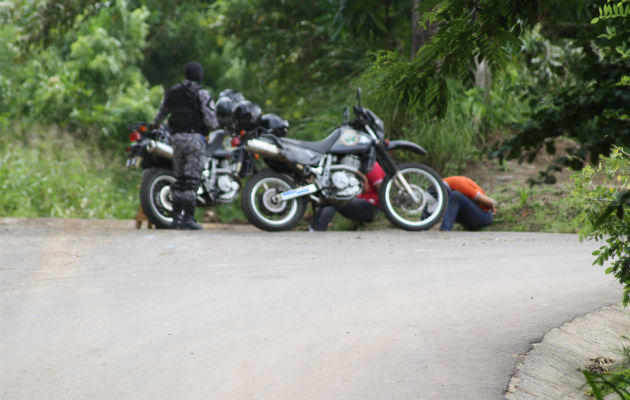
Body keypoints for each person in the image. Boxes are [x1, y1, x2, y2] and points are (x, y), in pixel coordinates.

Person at [154, 61, 218, 230]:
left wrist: (156, 125)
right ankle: (188, 219)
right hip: (194, 140)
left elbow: (160, 114)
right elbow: (212, 121)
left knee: (179, 180)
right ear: (199, 75)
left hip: (176, 140)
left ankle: (175, 219)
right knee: (191, 182)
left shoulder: (173, 92)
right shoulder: (201, 93)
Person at [310, 162, 386, 231]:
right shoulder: (357, 165)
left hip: (373, 206)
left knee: (336, 201)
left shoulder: (371, 165)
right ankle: (313, 229)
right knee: (328, 200)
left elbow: (383, 190)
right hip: (360, 202)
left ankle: (319, 230)